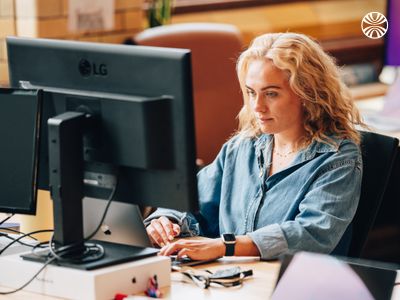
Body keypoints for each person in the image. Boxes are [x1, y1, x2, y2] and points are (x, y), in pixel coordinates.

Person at [144, 32, 364, 261]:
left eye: (271, 94)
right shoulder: (241, 147)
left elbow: (311, 234)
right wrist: (165, 221)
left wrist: (225, 246)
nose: (257, 106)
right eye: (251, 92)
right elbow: (191, 205)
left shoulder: (338, 158)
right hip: (233, 281)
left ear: (307, 93)